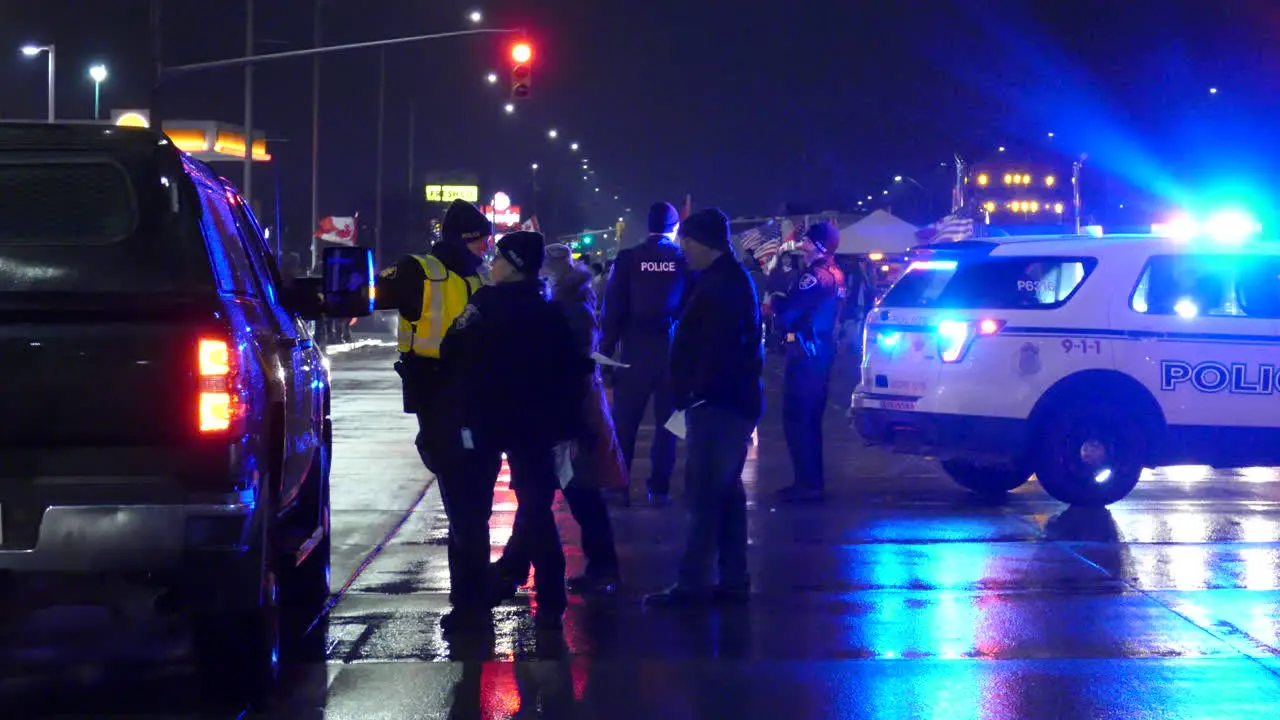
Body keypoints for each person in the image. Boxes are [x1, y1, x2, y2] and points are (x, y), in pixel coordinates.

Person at [436, 231, 594, 631]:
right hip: (535, 426)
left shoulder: (486, 304)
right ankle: (552, 600)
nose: (492, 264)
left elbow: (450, 346)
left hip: (484, 420)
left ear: (513, 264)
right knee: (537, 509)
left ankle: (472, 602)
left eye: (499, 259)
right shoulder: (550, 311)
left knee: (473, 513)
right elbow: (572, 370)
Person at [374, 198, 492, 631]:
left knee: (463, 500)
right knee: (466, 499)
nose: (485, 247)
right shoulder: (430, 271)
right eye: (481, 239)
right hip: (455, 396)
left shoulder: (464, 275)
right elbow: (371, 293)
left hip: (448, 397)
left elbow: (370, 293)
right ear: (466, 238)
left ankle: (471, 600)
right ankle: (471, 597)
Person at [492, 244, 625, 598]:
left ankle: (600, 567)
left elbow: (571, 364)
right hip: (567, 411)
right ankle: (515, 565)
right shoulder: (568, 304)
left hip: (572, 413)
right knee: (546, 492)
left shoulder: (569, 309)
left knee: (575, 492)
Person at [644, 208, 762, 606]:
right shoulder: (722, 279)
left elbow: (716, 351)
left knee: (705, 494)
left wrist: (694, 392)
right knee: (724, 494)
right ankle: (732, 578)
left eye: (687, 243)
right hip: (723, 401)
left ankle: (693, 584)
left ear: (704, 242)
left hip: (717, 404)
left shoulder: (722, 286)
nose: (682, 251)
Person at [600, 201, 691, 506]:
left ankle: (618, 485)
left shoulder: (628, 259)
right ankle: (660, 485)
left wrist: (606, 355)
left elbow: (612, 310)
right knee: (669, 425)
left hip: (633, 353)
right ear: (675, 228)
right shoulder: (683, 259)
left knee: (624, 423)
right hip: (673, 354)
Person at [774, 222, 846, 503]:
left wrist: (778, 295)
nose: (802, 247)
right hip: (821, 349)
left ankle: (806, 484)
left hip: (807, 351)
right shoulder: (836, 273)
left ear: (818, 245)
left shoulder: (815, 276)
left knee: (798, 418)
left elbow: (789, 314)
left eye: (806, 242)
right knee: (810, 420)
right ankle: (810, 481)